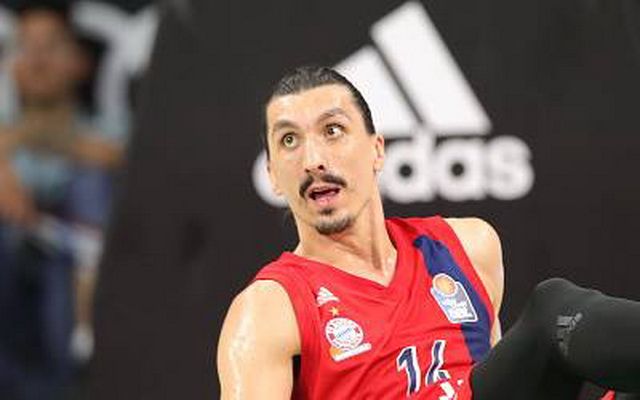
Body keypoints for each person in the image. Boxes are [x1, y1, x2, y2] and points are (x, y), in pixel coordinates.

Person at [217, 66, 640, 399]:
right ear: (272, 175)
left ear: (377, 150)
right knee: (552, 312)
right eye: (289, 141)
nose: (312, 159)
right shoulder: (269, 309)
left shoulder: (467, 247)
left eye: (332, 131)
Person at [0, 3, 124, 399]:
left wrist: (37, 137)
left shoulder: (106, 128)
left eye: (51, 46)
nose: (36, 60)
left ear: (80, 63)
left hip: (76, 276)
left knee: (90, 186)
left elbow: (120, 155)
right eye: (25, 47)